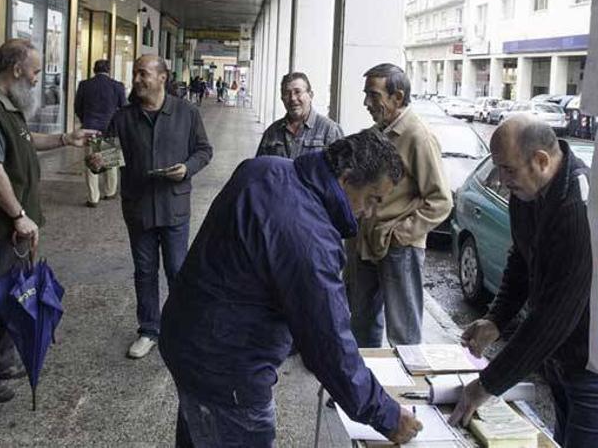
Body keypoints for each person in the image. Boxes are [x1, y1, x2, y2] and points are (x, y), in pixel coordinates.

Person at [159, 129, 422, 447]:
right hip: (227, 372)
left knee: (202, 427)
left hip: (187, 338)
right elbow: (329, 343)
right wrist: (388, 416)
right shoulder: (310, 237)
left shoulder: (264, 168)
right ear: (346, 179)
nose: (371, 213)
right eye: (372, 199)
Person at [448, 116, 598, 447]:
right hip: (560, 360)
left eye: (508, 170)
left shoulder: (579, 209)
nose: (502, 180)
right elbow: (521, 258)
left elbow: (554, 317)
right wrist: (495, 319)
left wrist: (487, 385)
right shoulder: (528, 192)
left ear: (542, 161)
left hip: (595, 369)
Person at [0, 39, 96, 403]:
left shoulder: (6, 104)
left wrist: (64, 138)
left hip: (12, 223)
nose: (39, 78)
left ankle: (1, 359)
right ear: (16, 69)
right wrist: (18, 215)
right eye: (36, 71)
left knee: (11, 292)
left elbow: (24, 141)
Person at [88, 55, 213, 360]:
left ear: (162, 78)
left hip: (174, 206)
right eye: (135, 73)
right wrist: (97, 161)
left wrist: (186, 168)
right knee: (145, 271)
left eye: (143, 73)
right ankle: (148, 330)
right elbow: (107, 157)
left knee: (177, 270)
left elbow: (204, 150)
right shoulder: (123, 117)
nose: (137, 80)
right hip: (138, 207)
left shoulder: (186, 112)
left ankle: (182, 329)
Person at [346, 63, 452, 347]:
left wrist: (400, 234)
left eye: (373, 95)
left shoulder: (418, 136)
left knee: (404, 334)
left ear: (398, 97)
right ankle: (365, 376)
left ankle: (406, 379)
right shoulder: (376, 132)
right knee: (362, 323)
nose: (366, 103)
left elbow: (441, 200)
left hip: (399, 249)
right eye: (366, 94)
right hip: (366, 242)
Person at [74, 59, 127, 207]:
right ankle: (110, 192)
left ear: (94, 69)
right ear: (109, 70)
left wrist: (86, 120)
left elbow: (77, 107)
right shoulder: (117, 86)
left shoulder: (84, 85)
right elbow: (124, 108)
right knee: (110, 161)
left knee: (91, 163)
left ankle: (93, 198)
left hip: (90, 128)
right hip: (110, 128)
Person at [255, 72, 342, 159]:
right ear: (282, 98)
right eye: (287, 93)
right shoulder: (271, 132)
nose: (292, 98)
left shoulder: (330, 130)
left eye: (297, 92)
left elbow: (341, 165)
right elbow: (260, 165)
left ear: (310, 95)